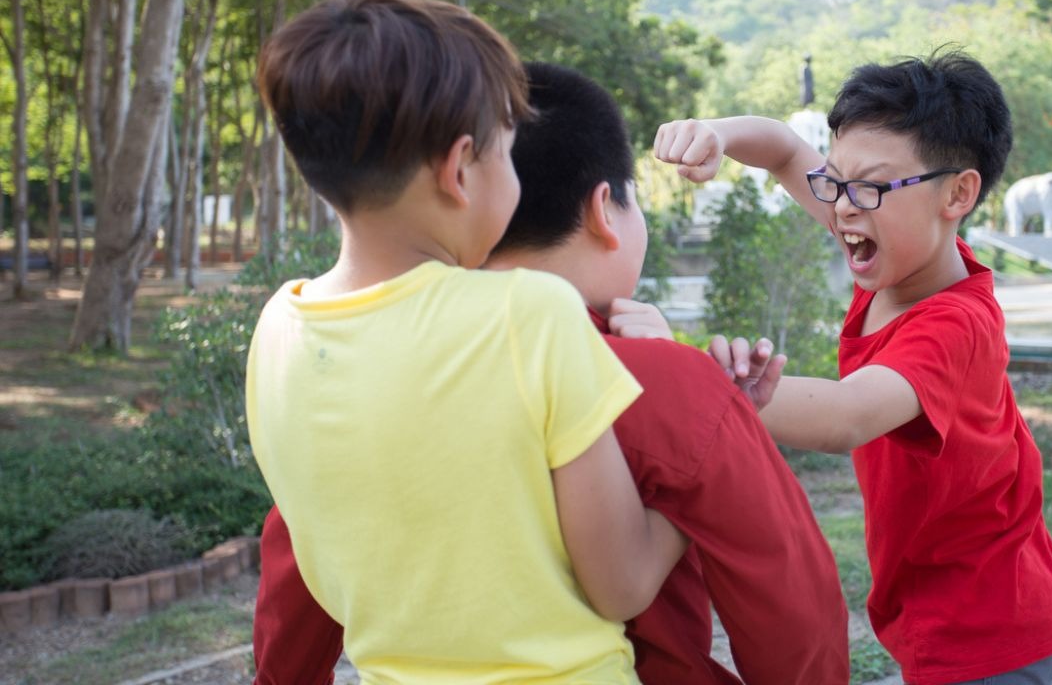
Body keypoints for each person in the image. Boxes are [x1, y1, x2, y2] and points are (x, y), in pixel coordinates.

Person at [252, 62, 851, 685]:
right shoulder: (666, 380)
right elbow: (788, 601)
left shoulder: (361, 358)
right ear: (603, 209)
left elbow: (297, 563)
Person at [247, 0, 689, 684]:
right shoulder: (531, 315)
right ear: (459, 171)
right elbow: (624, 582)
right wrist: (699, 472)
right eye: (508, 154)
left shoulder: (279, 328)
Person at [654, 51, 1052, 685]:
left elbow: (846, 415)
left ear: (957, 194)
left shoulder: (953, 321)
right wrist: (716, 131)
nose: (844, 208)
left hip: (991, 633)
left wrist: (687, 381)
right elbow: (779, 148)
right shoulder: (898, 251)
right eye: (837, 181)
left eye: (870, 187)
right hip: (942, 615)